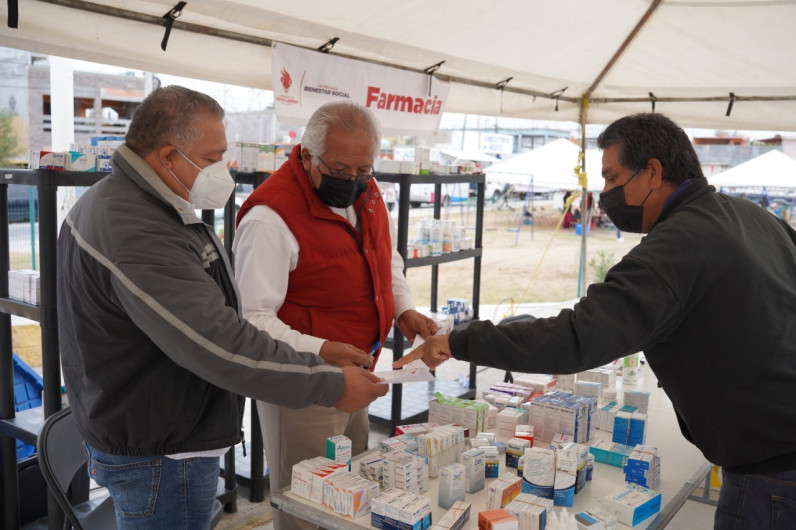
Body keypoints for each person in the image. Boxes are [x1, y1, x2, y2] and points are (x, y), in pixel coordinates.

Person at [396, 113, 796, 529]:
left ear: (653, 172)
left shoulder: (674, 248)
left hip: (772, 476)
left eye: (611, 177)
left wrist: (458, 342)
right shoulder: (755, 218)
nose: (605, 193)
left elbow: (576, 336)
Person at [57, 86, 387, 530]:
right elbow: (219, 343)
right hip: (162, 451)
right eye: (213, 158)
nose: (222, 170)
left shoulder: (131, 203)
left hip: (150, 428)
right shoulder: (138, 231)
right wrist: (327, 383)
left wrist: (324, 351)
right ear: (169, 156)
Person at [233, 100, 437, 530]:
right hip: (302, 383)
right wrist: (322, 348)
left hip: (357, 371)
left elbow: (387, 258)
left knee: (349, 491)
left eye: (363, 171)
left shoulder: (368, 190)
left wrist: (404, 309)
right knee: (306, 503)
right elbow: (253, 319)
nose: (354, 181)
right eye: (342, 170)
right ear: (307, 155)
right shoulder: (270, 217)